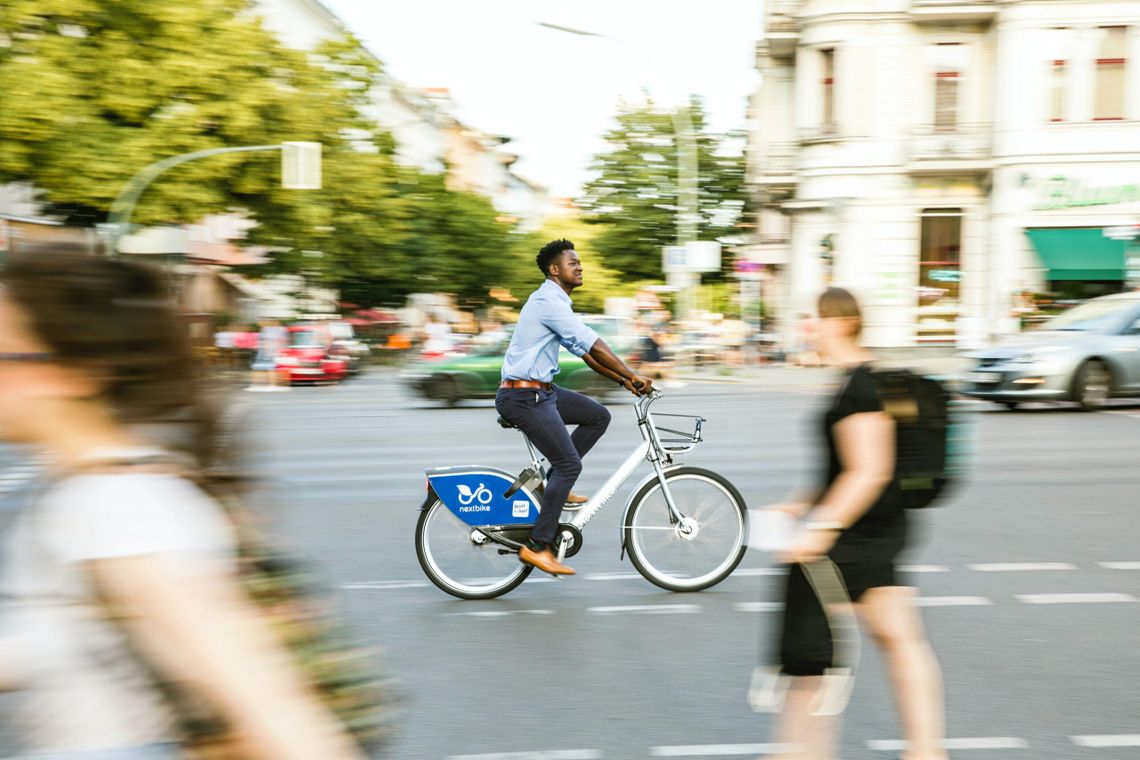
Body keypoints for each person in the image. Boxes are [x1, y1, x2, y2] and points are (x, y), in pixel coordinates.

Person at [0, 251, 365, 759]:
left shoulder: (116, 506)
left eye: (7, 354)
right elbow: (62, 641)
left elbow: (274, 712)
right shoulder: (90, 489)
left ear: (74, 371)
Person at [763, 287, 948, 760]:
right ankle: (927, 750)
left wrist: (820, 529)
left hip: (858, 534)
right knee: (899, 638)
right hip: (874, 528)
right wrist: (798, 504)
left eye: (817, 319)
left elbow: (870, 469)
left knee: (812, 651)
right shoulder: (852, 382)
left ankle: (799, 753)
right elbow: (843, 466)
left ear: (843, 322)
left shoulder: (862, 388)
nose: (810, 328)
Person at [497, 239, 653, 576]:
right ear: (555, 270)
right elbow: (594, 344)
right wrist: (632, 373)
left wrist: (623, 381)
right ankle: (538, 547)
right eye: (573, 262)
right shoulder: (547, 301)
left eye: (580, 262)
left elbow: (585, 353)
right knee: (569, 463)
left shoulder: (556, 303)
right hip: (524, 397)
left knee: (598, 416)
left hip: (541, 391)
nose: (580, 266)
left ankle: (558, 488)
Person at [248, 319, 288, 392]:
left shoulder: (267, 329)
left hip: (269, 351)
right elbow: (284, 341)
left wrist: (267, 349)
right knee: (273, 368)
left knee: (268, 368)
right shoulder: (281, 329)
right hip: (273, 351)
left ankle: (272, 385)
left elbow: (265, 341)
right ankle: (274, 384)